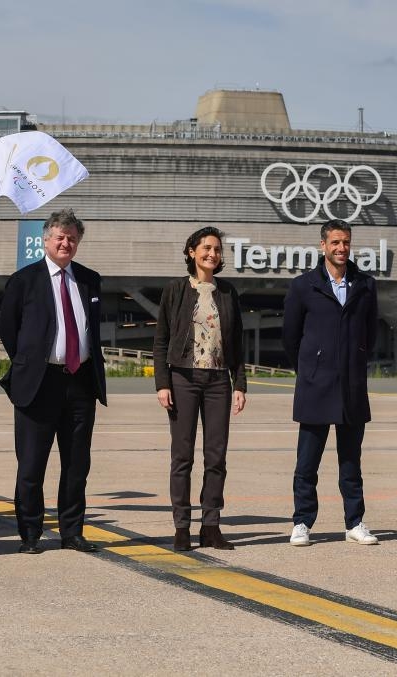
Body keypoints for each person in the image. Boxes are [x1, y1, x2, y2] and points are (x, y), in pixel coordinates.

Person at [0, 208, 107, 554]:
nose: (66, 242)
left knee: (77, 466)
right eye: (60, 237)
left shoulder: (90, 280)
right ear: (45, 240)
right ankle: (29, 533)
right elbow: (8, 331)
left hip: (80, 383)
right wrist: (29, 364)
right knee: (31, 465)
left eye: (72, 237)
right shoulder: (23, 280)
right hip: (39, 383)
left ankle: (72, 531)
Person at [283, 219, 379, 546]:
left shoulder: (365, 285)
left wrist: (355, 360)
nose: (341, 248)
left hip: (351, 389)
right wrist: (312, 366)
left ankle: (355, 522)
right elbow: (290, 338)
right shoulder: (303, 286)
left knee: (351, 463)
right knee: (307, 463)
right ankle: (301, 522)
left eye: (346, 242)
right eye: (335, 242)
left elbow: (371, 334)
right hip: (315, 388)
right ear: (322, 245)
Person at [153, 227, 247, 551]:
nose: (213, 254)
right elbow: (161, 339)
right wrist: (162, 383)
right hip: (183, 379)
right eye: (206, 248)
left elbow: (237, 342)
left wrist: (240, 384)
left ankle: (211, 526)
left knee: (216, 457)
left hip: (220, 381)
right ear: (192, 252)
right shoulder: (176, 289)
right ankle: (182, 527)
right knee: (182, 457)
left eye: (217, 249)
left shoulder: (228, 293)